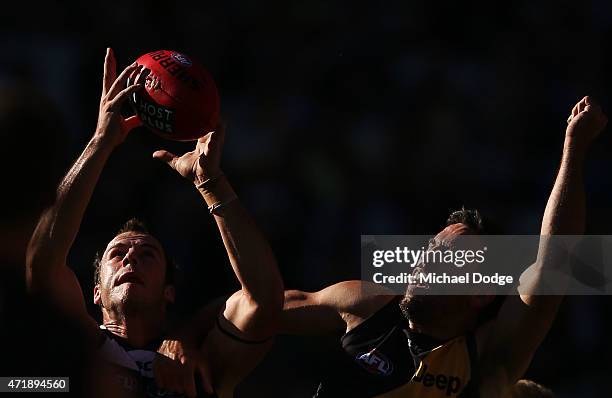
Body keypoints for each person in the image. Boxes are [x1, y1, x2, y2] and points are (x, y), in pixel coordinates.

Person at [279, 96, 607, 397]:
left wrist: (573, 149)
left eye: (449, 257)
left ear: (482, 292)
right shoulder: (368, 306)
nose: (426, 259)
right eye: (431, 248)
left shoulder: (486, 357)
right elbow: (260, 308)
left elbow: (555, 263)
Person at [26, 48, 284, 398]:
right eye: (117, 254)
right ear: (96, 292)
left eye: (147, 254)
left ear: (169, 292)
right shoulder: (71, 350)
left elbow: (264, 300)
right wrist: (101, 142)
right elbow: (42, 262)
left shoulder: (199, 363)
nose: (130, 258)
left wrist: (211, 184)